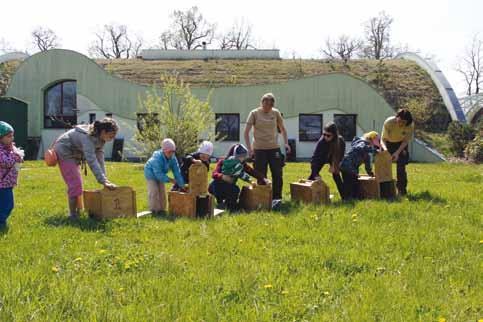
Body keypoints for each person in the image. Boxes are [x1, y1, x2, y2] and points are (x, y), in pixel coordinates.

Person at [54, 118, 118, 219]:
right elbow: (92, 160)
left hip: (75, 152)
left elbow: (100, 160)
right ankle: (73, 215)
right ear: (103, 132)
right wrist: (102, 180)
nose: (113, 138)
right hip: (64, 150)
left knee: (77, 183)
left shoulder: (101, 139)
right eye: (111, 135)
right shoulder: (87, 138)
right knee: (75, 184)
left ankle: (79, 210)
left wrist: (105, 180)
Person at [244, 93, 290, 201]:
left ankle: (276, 198)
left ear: (272, 105)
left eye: (269, 106)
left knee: (277, 174)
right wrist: (250, 149)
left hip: (274, 148)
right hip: (259, 149)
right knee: (260, 175)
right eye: (265, 105)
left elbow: (282, 129)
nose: (267, 108)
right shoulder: (254, 113)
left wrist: (286, 143)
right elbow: (246, 132)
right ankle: (262, 198)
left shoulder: (276, 113)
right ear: (261, 103)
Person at [209, 144, 269, 211]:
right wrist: (222, 176)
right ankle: (220, 202)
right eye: (241, 156)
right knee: (216, 184)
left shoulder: (241, 164)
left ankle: (230, 205)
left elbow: (251, 172)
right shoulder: (223, 162)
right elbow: (214, 174)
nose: (243, 158)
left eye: (244, 156)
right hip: (217, 185)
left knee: (235, 189)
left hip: (230, 186)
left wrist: (263, 178)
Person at [144, 138, 185, 214]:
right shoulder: (157, 159)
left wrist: (181, 184)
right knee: (154, 191)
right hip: (151, 174)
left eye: (173, 152)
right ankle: (154, 210)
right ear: (164, 151)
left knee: (162, 191)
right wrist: (170, 180)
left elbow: (176, 171)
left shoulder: (172, 158)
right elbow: (158, 173)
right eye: (169, 152)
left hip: (161, 174)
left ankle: (162, 210)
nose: (171, 154)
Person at [380, 109, 414, 196]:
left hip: (401, 145)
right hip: (388, 144)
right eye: (400, 121)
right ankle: (383, 191)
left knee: (401, 168)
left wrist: (397, 152)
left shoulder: (410, 125)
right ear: (396, 117)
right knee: (383, 167)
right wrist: (386, 151)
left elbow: (406, 141)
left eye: (404, 122)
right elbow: (383, 140)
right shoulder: (389, 122)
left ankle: (401, 191)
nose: (401, 124)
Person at [308, 122, 346, 199]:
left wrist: (334, 165)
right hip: (322, 157)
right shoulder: (321, 142)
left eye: (328, 135)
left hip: (334, 158)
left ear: (334, 135)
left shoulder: (341, 141)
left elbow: (341, 156)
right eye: (324, 134)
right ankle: (307, 194)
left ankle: (345, 197)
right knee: (313, 175)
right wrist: (316, 174)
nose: (325, 137)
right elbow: (315, 158)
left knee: (336, 175)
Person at [340, 131, 380, 200]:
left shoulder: (367, 153)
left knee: (354, 185)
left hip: (352, 168)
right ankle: (348, 199)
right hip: (347, 165)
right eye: (376, 141)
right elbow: (360, 148)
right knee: (350, 185)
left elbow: (367, 165)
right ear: (371, 139)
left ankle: (351, 198)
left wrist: (371, 174)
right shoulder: (362, 143)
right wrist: (374, 150)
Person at [0, 121, 24, 229]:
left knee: (6, 204)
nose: (12, 139)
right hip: (2, 184)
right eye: (9, 136)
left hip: (7, 183)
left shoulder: (8, 148)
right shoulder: (1, 150)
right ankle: (1, 222)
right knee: (7, 205)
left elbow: (17, 156)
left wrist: (18, 155)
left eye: (12, 136)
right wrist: (15, 156)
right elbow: (5, 162)